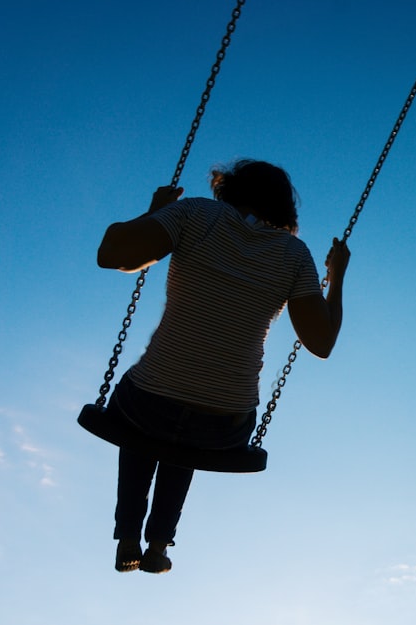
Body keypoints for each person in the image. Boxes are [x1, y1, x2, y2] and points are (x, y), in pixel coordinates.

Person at [96, 159, 350, 574]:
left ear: (227, 189)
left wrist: (155, 213)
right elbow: (321, 343)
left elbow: (111, 255)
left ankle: (128, 535)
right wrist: (336, 277)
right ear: (284, 206)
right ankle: (159, 542)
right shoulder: (295, 255)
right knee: (194, 422)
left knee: (147, 407)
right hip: (223, 424)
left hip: (147, 406)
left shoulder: (195, 213)